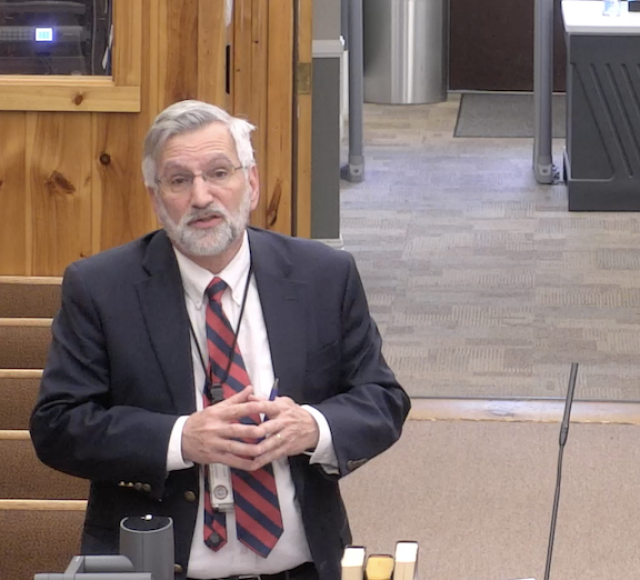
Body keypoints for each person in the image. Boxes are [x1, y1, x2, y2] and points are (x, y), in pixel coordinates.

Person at [30, 100, 410, 580]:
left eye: (219, 173)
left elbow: (383, 399)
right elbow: (58, 426)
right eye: (179, 180)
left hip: (303, 567)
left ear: (250, 184)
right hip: (157, 568)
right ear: (155, 197)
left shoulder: (324, 276)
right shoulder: (101, 288)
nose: (202, 196)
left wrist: (313, 426)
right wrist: (180, 439)